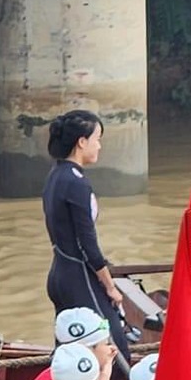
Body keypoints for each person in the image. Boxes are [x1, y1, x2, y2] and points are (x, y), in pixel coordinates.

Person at [41, 108, 131, 363]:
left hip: (60, 274)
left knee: (69, 347)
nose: (99, 146)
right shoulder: (77, 182)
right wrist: (111, 287)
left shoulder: (55, 175)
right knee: (116, 348)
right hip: (78, 276)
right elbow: (87, 244)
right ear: (82, 142)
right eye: (97, 139)